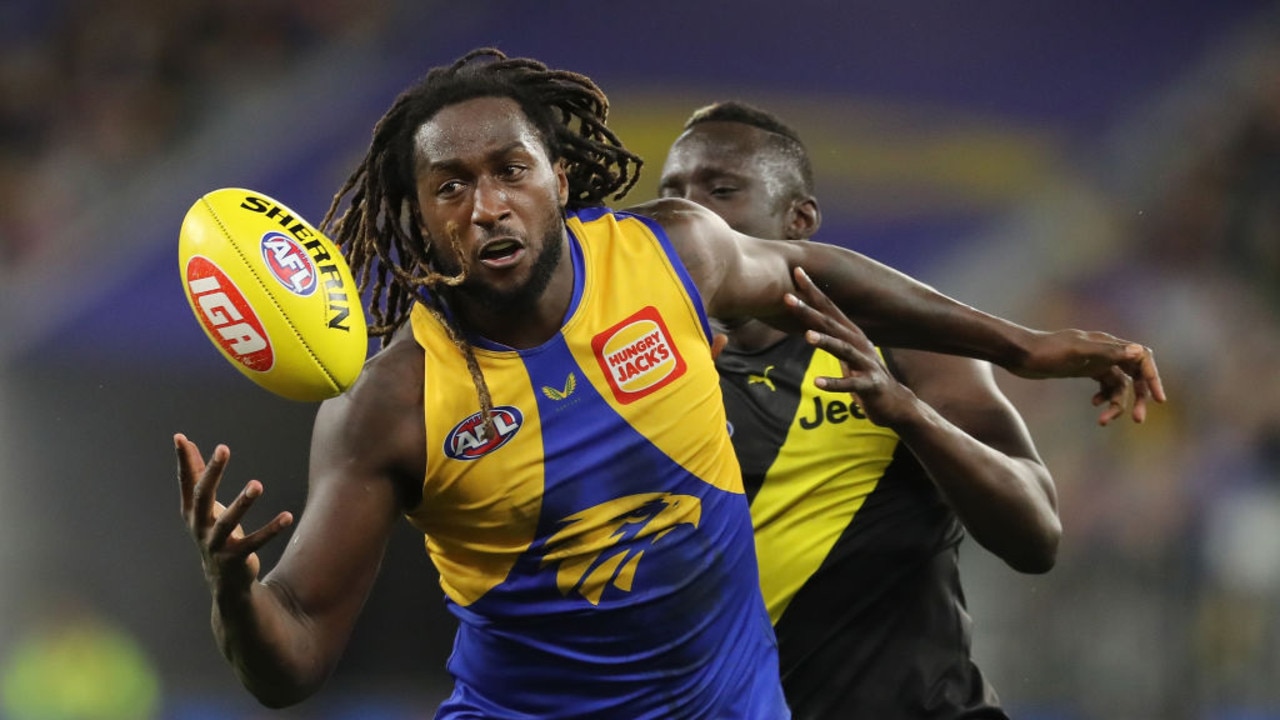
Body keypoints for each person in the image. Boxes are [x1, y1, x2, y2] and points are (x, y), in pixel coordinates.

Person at [176, 48, 1164, 720]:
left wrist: (1020, 346)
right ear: (420, 215)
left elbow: (813, 272)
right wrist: (234, 593)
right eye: (449, 186)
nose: (485, 205)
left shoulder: (670, 256)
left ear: (557, 176)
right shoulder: (388, 405)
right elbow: (293, 658)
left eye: (507, 169)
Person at [658, 100, 1080, 719]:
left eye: (722, 190)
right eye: (672, 195)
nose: (692, 214)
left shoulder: (904, 347)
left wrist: (909, 414)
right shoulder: (647, 373)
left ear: (798, 221)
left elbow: (1036, 537)